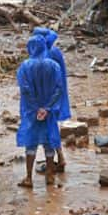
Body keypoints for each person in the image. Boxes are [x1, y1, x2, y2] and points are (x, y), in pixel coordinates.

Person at [16, 35, 63, 189]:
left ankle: (29, 178)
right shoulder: (54, 66)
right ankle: (49, 175)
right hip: (49, 112)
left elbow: (25, 89)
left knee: (31, 143)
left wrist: (36, 108)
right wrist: (47, 108)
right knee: (49, 142)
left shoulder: (25, 66)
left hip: (31, 111)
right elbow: (58, 89)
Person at [34, 27, 71, 173]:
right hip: (56, 96)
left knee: (48, 129)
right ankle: (60, 158)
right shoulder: (54, 51)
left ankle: (54, 165)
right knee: (51, 127)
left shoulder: (46, 55)